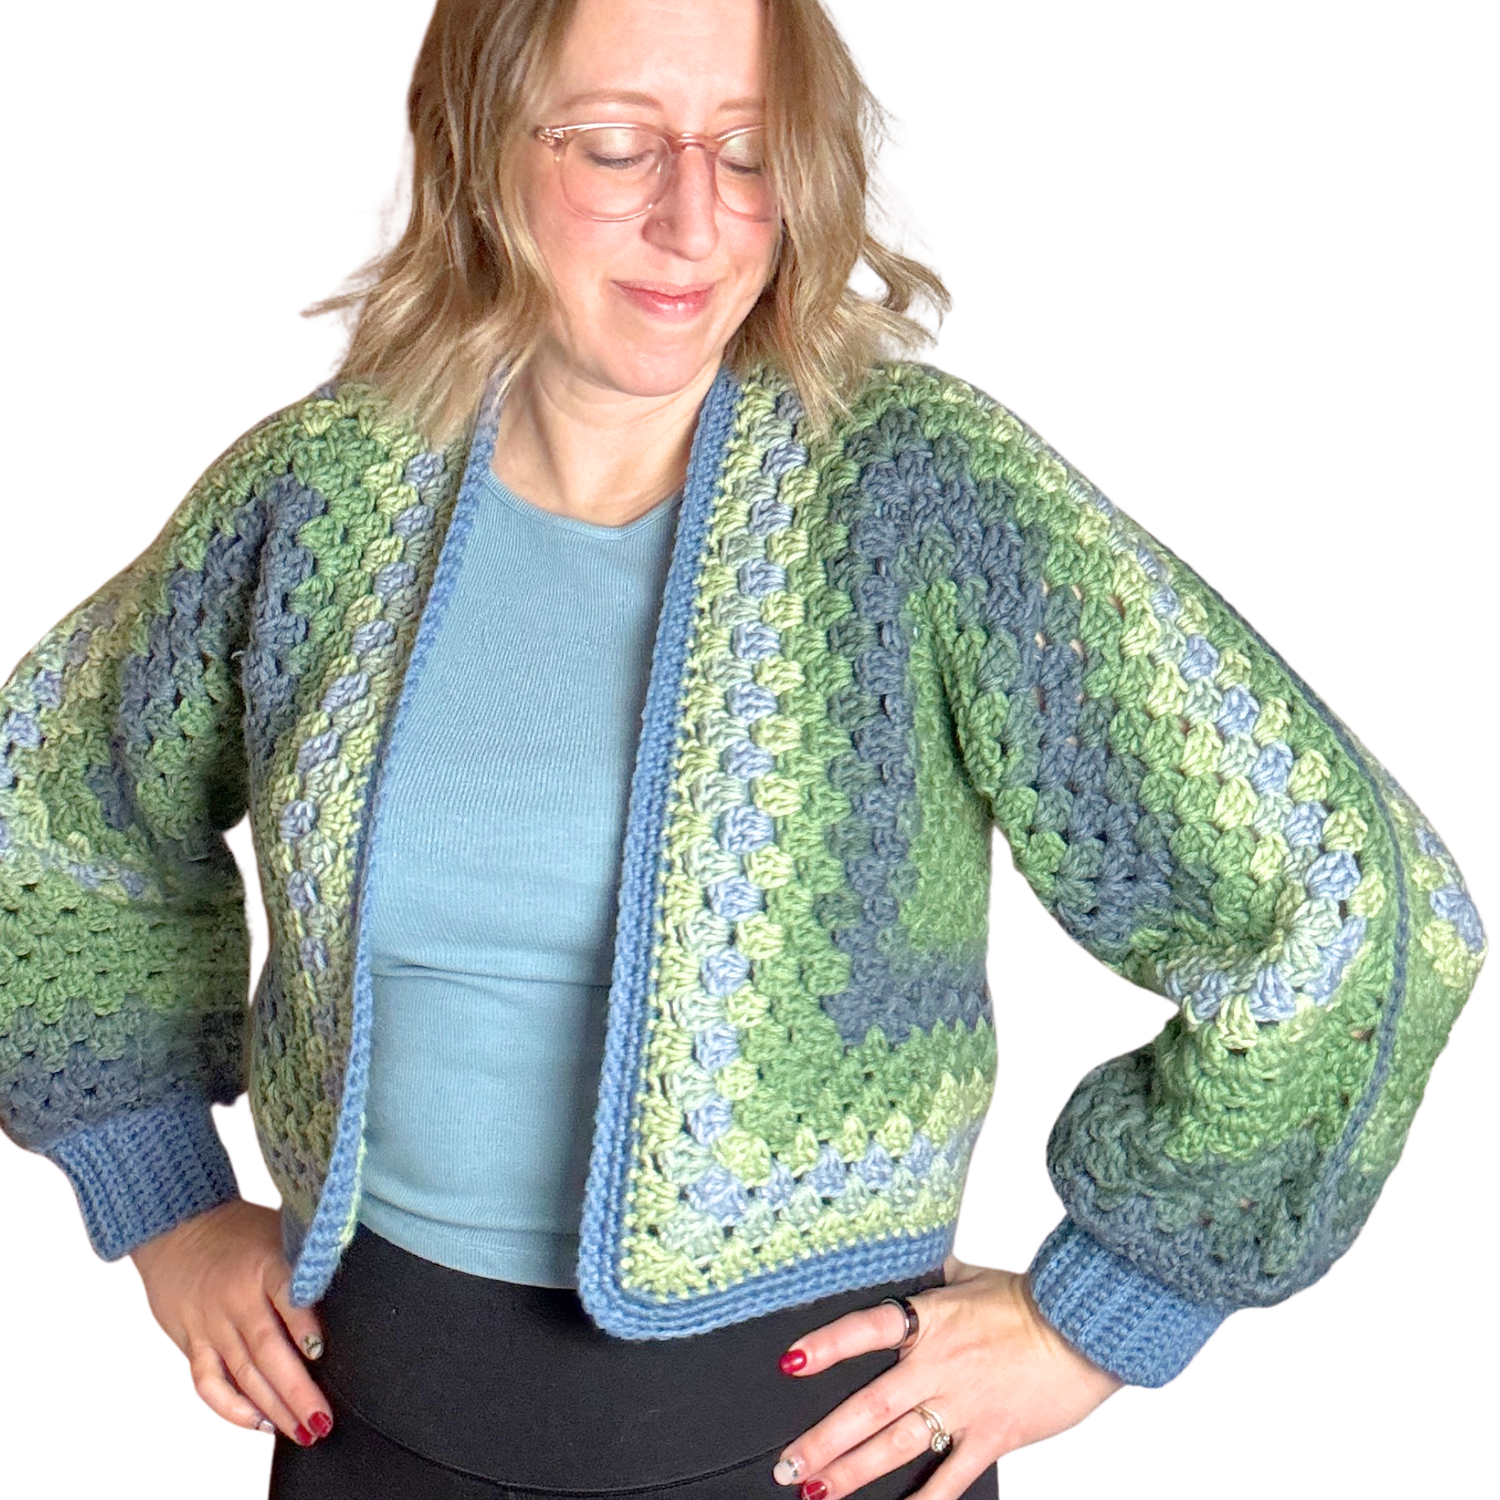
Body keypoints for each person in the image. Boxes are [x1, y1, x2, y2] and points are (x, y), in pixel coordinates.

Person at [0, 1, 1488, 1497]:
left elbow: (1354, 907)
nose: (694, 219)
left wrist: (1097, 1318)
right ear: (477, 148)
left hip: (813, 1451)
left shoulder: (915, 494)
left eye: (752, 151)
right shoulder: (322, 493)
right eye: (616, 145)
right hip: (375, 1431)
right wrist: (166, 1204)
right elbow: (50, 811)